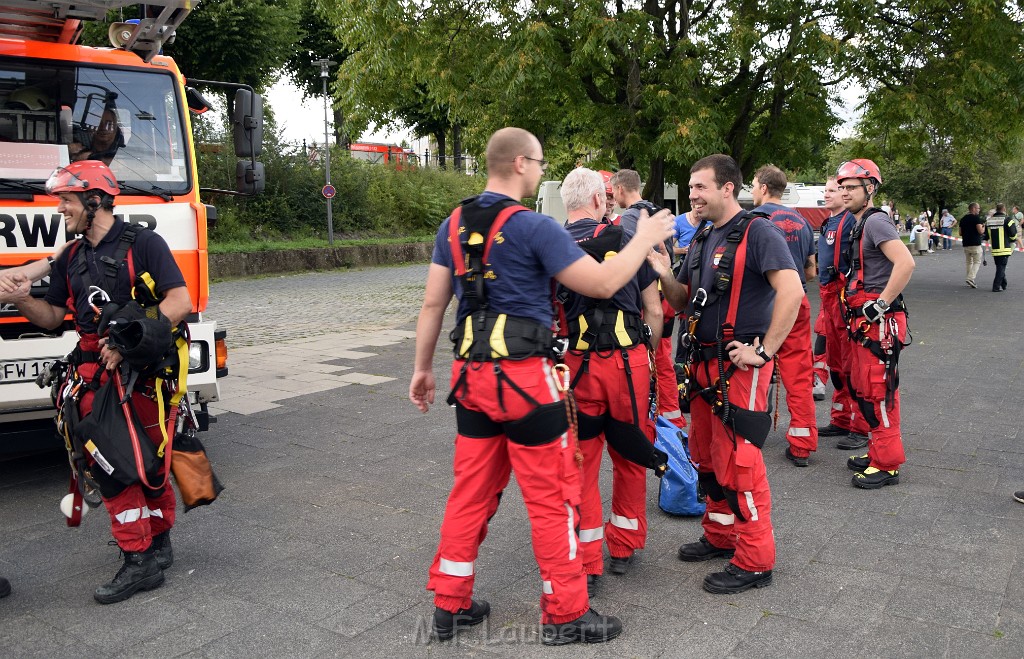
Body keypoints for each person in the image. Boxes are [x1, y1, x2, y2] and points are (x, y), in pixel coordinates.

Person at [409, 127, 674, 645]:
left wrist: (422, 370)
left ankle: (449, 604)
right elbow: (600, 283)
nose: (540, 170)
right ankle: (565, 613)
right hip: (529, 382)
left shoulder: (453, 224)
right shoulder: (533, 227)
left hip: (471, 380)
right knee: (553, 499)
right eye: (539, 162)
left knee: (469, 493)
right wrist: (642, 239)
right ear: (522, 164)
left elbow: (433, 305)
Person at [7, 160, 192, 603]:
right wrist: (20, 300)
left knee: (146, 461)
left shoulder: (144, 243)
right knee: (114, 465)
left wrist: (128, 339)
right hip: (93, 379)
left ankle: (145, 556)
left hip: (143, 377)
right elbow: (53, 318)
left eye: (66, 201)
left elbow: (180, 300)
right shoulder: (72, 257)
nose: (60, 210)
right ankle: (148, 548)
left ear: (94, 200)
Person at [653, 154, 803, 594]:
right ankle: (721, 534)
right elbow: (682, 302)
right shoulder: (701, 235)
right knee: (704, 454)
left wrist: (764, 350)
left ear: (727, 187)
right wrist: (663, 272)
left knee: (740, 460)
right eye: (690, 187)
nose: (692, 195)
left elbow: (791, 290)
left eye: (700, 187)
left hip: (737, 367)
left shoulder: (759, 232)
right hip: (701, 362)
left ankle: (756, 561)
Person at [557, 167, 663, 594]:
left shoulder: (552, 243)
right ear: (602, 199)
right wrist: (651, 355)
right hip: (627, 363)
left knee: (581, 460)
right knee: (630, 452)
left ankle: (585, 560)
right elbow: (653, 309)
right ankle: (623, 545)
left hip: (576, 365)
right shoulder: (627, 240)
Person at [834, 159, 915, 489]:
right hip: (865, 324)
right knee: (863, 388)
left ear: (870, 189)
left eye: (852, 187)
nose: (845, 192)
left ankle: (887, 463)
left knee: (879, 391)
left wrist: (880, 305)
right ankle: (878, 449)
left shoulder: (876, 222)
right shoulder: (858, 223)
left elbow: (906, 263)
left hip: (878, 324)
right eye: (842, 187)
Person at [749, 165, 818, 466]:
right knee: (799, 372)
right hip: (798, 304)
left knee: (756, 368)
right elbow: (811, 271)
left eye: (752, 185)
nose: (751, 191)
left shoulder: (755, 221)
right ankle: (802, 442)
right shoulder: (803, 222)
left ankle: (752, 434)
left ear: (763, 188)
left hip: (765, 305)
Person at [814, 177, 871, 450]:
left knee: (853, 366)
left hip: (842, 295)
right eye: (827, 190)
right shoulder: (830, 221)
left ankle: (860, 427)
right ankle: (840, 419)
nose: (828, 195)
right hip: (828, 296)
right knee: (835, 364)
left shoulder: (853, 220)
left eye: (833, 190)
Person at [984, 203, 1019, 292]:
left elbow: (986, 236)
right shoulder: (1008, 220)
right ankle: (996, 287)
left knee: (1000, 266)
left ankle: (1004, 284)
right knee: (1001, 267)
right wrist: (1012, 240)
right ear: (1004, 209)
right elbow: (1013, 234)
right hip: (1005, 248)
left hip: (995, 248)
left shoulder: (989, 220)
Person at [959, 203, 985, 288]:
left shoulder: (963, 219)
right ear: (973, 208)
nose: (979, 210)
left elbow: (960, 233)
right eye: (978, 208)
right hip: (975, 243)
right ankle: (971, 278)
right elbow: (980, 231)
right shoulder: (976, 218)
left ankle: (969, 279)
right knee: (977, 261)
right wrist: (984, 227)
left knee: (969, 262)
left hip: (966, 243)